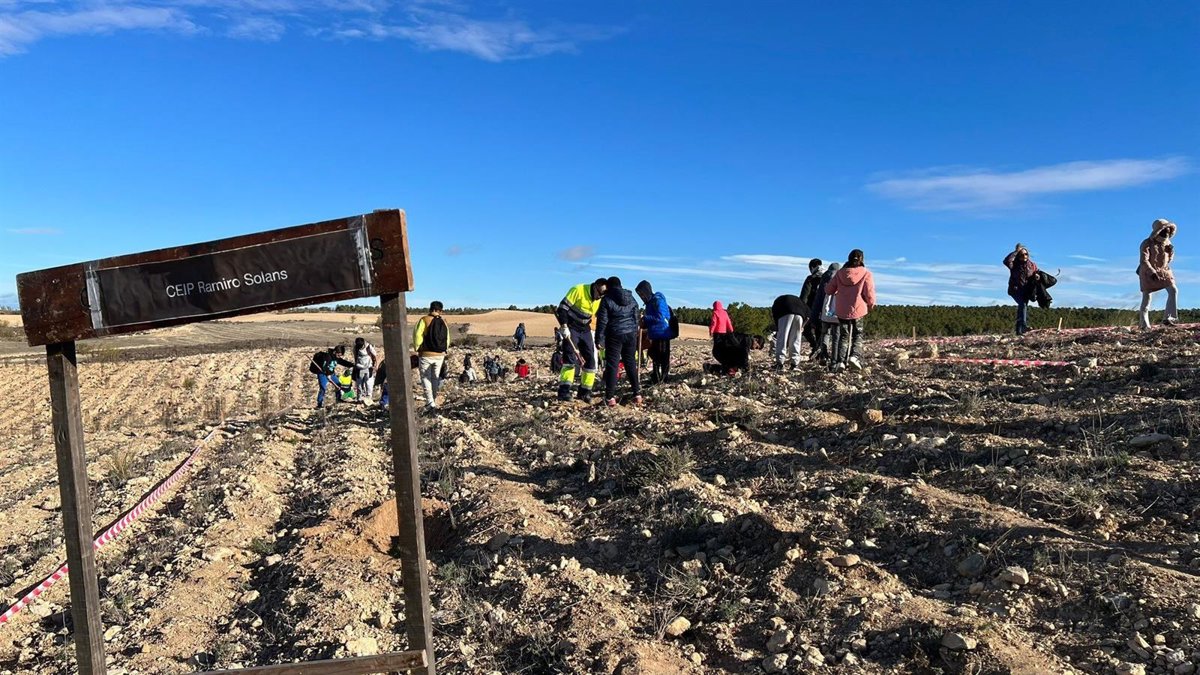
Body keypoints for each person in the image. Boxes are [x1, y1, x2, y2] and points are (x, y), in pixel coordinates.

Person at [555, 278, 607, 402]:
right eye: (599, 294)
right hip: (571, 327)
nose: (599, 297)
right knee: (570, 359)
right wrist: (564, 326)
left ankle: (585, 392)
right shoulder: (578, 290)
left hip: (585, 329)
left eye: (602, 295)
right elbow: (562, 309)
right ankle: (564, 391)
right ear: (595, 287)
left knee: (591, 361)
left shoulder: (599, 300)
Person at [825, 249, 876, 372]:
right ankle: (855, 356)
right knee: (858, 334)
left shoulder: (839, 273)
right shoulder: (866, 273)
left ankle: (841, 362)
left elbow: (829, 290)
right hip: (858, 308)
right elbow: (869, 292)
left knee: (844, 336)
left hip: (842, 310)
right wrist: (871, 304)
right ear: (862, 259)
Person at [595, 276, 642, 407]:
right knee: (630, 363)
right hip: (630, 334)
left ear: (608, 287)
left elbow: (602, 321)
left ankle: (610, 397)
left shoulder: (607, 299)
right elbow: (636, 316)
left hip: (614, 335)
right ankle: (637, 394)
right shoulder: (631, 298)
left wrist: (599, 339)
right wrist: (634, 331)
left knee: (612, 365)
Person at [1138, 218, 1179, 329]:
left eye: (1168, 230)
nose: (1166, 233)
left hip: (1164, 271)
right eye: (1164, 230)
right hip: (1148, 273)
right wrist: (1151, 272)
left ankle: (1169, 318)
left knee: (1173, 290)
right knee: (1147, 298)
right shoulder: (1147, 243)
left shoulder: (1167, 243)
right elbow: (1144, 261)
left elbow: (1168, 260)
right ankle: (1144, 324)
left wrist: (1170, 252)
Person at [413, 301, 450, 410]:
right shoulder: (443, 322)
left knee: (425, 378)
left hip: (426, 354)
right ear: (440, 310)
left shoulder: (424, 320)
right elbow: (447, 338)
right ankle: (432, 400)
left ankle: (430, 403)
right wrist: (444, 350)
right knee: (435, 378)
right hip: (440, 355)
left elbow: (417, 336)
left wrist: (418, 348)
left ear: (431, 309)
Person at [635, 280, 674, 384]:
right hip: (655, 334)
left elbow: (660, 317)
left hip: (663, 333)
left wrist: (645, 318)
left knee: (663, 358)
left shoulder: (658, 300)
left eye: (642, 294)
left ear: (646, 291)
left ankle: (663, 380)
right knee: (655, 357)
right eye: (640, 295)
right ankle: (656, 378)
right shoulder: (649, 303)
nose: (641, 297)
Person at [1003, 244, 1038, 335]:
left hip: (1026, 290)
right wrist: (1016, 251)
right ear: (1018, 255)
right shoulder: (1014, 264)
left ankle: (1019, 331)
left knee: (1022, 307)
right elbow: (1006, 261)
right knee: (1023, 305)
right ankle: (1024, 326)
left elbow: (1036, 272)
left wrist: (1037, 276)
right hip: (1015, 290)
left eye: (1026, 254)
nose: (1024, 256)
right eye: (1022, 254)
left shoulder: (1032, 265)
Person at [309, 345, 354, 409]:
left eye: (340, 355)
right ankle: (319, 404)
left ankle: (338, 399)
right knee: (323, 388)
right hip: (323, 374)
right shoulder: (327, 357)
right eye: (338, 355)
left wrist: (352, 365)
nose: (339, 357)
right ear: (335, 352)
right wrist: (328, 375)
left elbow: (342, 362)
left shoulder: (336, 357)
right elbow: (325, 366)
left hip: (331, 374)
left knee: (338, 384)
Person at [770, 293, 808, 370]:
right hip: (800, 314)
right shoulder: (801, 302)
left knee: (782, 338)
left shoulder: (777, 302)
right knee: (796, 339)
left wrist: (778, 327)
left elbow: (775, 315)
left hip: (785, 311)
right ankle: (795, 364)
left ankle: (779, 363)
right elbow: (808, 316)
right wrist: (802, 326)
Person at [813, 262, 841, 363]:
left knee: (825, 333)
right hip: (837, 312)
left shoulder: (824, 279)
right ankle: (834, 358)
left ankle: (823, 355)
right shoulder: (842, 279)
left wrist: (815, 314)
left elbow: (819, 298)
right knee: (836, 336)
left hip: (825, 312)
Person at [798, 258, 824, 351]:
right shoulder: (827, 276)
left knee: (806, 328)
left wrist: (801, 309)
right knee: (820, 330)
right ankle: (820, 350)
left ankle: (815, 346)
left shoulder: (810, 279)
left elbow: (804, 296)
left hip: (811, 308)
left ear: (812, 267)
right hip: (825, 308)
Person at [351, 337, 379, 404]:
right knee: (359, 384)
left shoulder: (368, 347)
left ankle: (368, 398)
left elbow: (375, 355)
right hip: (359, 368)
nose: (360, 347)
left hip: (369, 367)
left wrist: (376, 365)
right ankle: (359, 399)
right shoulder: (355, 348)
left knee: (368, 383)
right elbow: (355, 357)